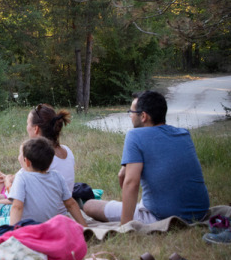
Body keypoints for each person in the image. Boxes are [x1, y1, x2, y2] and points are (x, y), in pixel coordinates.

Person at [83, 90, 209, 225]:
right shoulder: (183, 134)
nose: (130, 115)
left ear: (143, 116)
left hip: (162, 216)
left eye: (131, 112)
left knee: (90, 205)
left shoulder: (135, 135)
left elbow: (131, 183)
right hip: (200, 213)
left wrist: (126, 226)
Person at [0, 104, 75, 220]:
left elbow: (23, 197)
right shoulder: (66, 151)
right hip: (48, 206)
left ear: (36, 129)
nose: (26, 127)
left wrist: (3, 194)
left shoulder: (44, 158)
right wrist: (9, 178)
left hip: (34, 211)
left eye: (27, 123)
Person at [0, 138, 86, 231]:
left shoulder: (22, 177)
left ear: (27, 161)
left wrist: (13, 231)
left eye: (21, 155)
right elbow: (71, 204)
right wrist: (84, 227)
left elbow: (17, 207)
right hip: (48, 227)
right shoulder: (57, 177)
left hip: (26, 226)